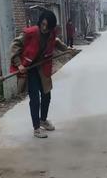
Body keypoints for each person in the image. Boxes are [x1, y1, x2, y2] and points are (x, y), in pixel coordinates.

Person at [10, 10, 71, 139]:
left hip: (43, 68)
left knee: (46, 95)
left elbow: (56, 42)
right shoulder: (30, 33)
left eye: (47, 26)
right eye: (42, 24)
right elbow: (15, 46)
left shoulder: (51, 34)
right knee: (35, 99)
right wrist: (19, 64)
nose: (44, 28)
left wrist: (67, 49)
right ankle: (36, 128)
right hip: (30, 69)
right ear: (40, 23)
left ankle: (43, 120)